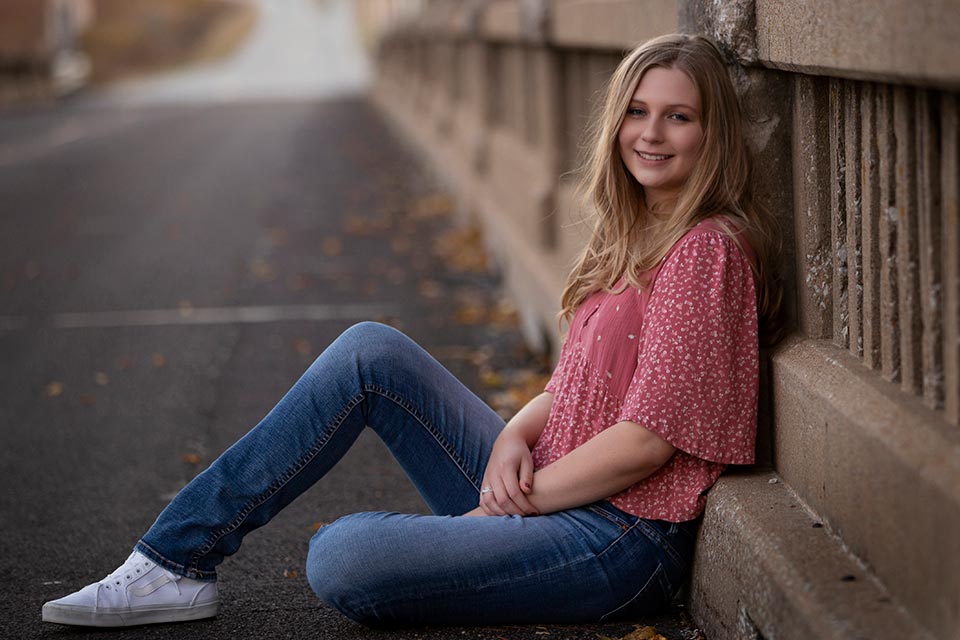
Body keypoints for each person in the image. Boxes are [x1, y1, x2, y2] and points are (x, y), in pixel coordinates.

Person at [41, 32, 782, 628]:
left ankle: (449, 547)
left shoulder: (706, 251)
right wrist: (517, 438)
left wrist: (523, 497)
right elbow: (578, 383)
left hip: (615, 539)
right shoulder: (635, 234)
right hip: (553, 483)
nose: (650, 133)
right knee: (370, 350)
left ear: (711, 133)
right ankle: (173, 561)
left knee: (341, 558)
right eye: (637, 111)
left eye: (678, 116)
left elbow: (648, 440)